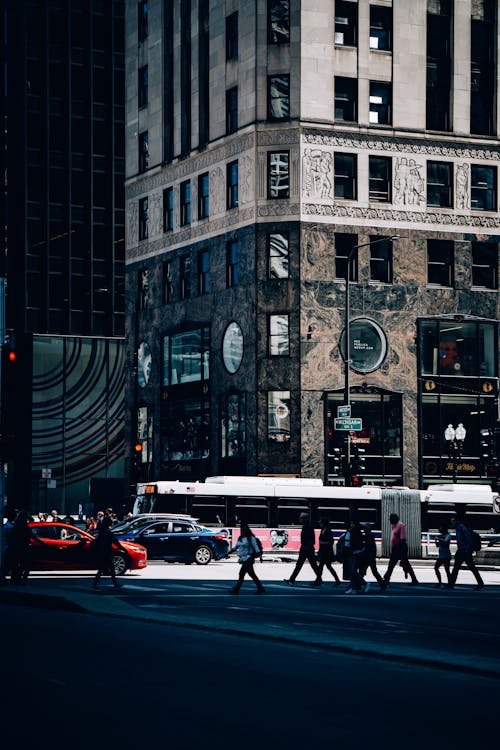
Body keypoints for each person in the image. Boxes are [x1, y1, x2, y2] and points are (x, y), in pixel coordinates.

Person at [284, 512, 321, 586]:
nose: (299, 519)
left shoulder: (308, 526)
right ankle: (292, 579)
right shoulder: (307, 525)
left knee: (304, 565)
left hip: (306, 549)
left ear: (304, 518)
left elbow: (311, 539)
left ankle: (292, 580)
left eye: (301, 517)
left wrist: (306, 546)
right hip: (306, 548)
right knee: (309, 565)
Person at [448, 515, 484, 591]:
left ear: (457, 521)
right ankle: (451, 584)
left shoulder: (462, 528)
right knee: (457, 568)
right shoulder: (458, 528)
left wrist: (468, 549)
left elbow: (469, 538)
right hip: (461, 550)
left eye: (453, 521)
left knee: (469, 568)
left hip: (465, 551)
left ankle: (480, 583)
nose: (452, 523)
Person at [382, 513, 419, 588]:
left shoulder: (400, 526)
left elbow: (403, 539)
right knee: (393, 564)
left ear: (394, 519)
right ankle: (386, 579)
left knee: (394, 564)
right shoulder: (395, 526)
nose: (390, 521)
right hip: (396, 548)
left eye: (391, 520)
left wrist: (402, 553)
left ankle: (386, 580)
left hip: (400, 548)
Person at [229, 522, 265, 594]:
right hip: (243, 559)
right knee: (252, 574)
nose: (242, 531)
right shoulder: (240, 538)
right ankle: (260, 588)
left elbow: (256, 548)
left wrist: (259, 555)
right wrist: (229, 552)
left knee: (241, 573)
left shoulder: (251, 538)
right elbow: (236, 547)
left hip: (249, 558)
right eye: (241, 529)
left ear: (247, 530)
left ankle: (237, 589)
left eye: (244, 529)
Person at [92, 515, 124, 589]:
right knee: (110, 568)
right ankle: (115, 584)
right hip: (106, 553)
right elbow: (115, 542)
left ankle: (95, 583)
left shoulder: (102, 531)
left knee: (102, 569)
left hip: (102, 552)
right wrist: (122, 548)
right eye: (110, 522)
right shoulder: (108, 532)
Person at [8, 511, 34, 585]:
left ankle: (15, 579)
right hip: (23, 547)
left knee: (16, 564)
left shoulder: (16, 526)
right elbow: (31, 535)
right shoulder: (24, 526)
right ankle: (22, 579)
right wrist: (41, 542)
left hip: (16, 547)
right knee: (26, 565)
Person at [358, 522, 385, 591]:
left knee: (362, 572)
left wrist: (360, 552)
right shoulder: (369, 536)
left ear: (367, 529)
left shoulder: (369, 536)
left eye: (364, 528)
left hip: (368, 558)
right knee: (373, 572)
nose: (363, 530)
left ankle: (359, 585)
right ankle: (382, 585)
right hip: (370, 557)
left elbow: (367, 548)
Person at [316, 517, 341, 585]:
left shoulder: (328, 531)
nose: (320, 524)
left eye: (321, 523)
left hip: (327, 552)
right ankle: (337, 580)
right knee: (327, 566)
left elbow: (331, 542)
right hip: (323, 551)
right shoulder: (322, 530)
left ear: (324, 523)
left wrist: (323, 543)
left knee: (322, 566)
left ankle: (318, 580)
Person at [344, 517, 365, 594]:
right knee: (353, 571)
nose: (351, 524)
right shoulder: (358, 532)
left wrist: (349, 550)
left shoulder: (352, 531)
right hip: (355, 552)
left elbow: (349, 542)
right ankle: (354, 587)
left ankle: (359, 586)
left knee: (352, 571)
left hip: (352, 553)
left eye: (352, 523)